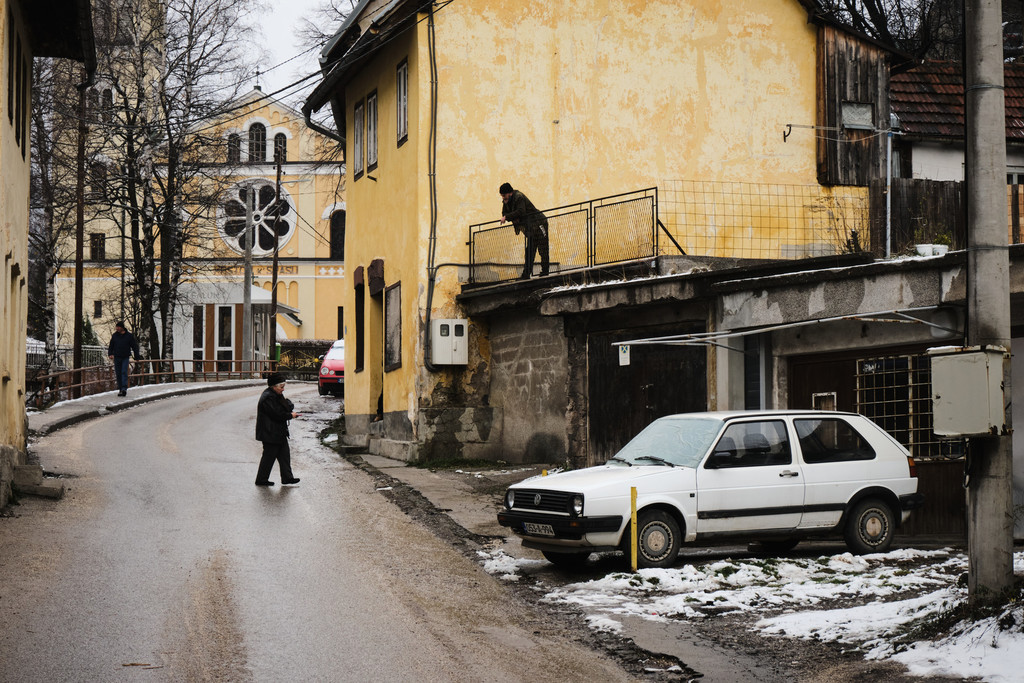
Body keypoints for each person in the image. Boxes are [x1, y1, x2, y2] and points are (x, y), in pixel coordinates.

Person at [254, 372, 300, 486]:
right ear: (274, 386)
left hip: (278, 432)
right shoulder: (268, 397)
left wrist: (288, 409)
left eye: (283, 387)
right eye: (281, 387)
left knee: (284, 455)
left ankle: (287, 478)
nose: (283, 389)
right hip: (270, 433)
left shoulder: (275, 395)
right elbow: (278, 414)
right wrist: (290, 415)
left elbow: (287, 406)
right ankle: (261, 479)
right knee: (269, 457)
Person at [500, 182, 549, 279]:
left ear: (510, 193)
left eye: (504, 195)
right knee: (529, 250)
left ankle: (545, 272)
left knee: (543, 248)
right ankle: (526, 274)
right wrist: (512, 218)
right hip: (530, 228)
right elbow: (504, 213)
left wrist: (508, 217)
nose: (503, 198)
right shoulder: (507, 202)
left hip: (539, 223)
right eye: (502, 196)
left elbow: (521, 211)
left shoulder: (519, 197)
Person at [107, 321, 140, 397]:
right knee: (118, 373)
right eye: (116, 327)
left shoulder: (129, 336)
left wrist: (137, 356)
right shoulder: (115, 336)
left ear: (122, 327)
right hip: (117, 357)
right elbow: (111, 346)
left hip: (125, 357)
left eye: (118, 327)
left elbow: (134, 346)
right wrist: (110, 353)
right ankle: (120, 389)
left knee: (124, 372)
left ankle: (124, 388)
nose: (117, 328)